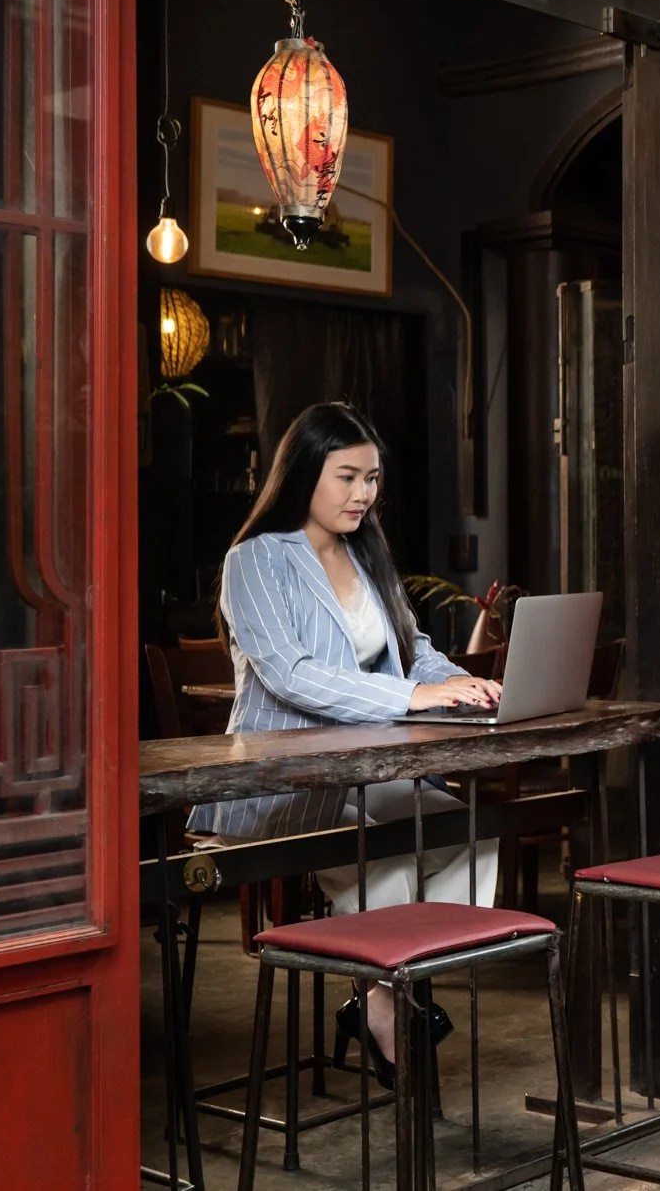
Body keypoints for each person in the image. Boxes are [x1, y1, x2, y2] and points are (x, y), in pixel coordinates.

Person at [188, 401, 503, 1078]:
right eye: (347, 476)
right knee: (384, 857)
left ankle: (392, 988)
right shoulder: (256, 560)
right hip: (286, 782)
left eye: (373, 478)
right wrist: (412, 697)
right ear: (304, 475)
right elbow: (292, 674)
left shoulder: (367, 554)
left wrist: (466, 685)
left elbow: (414, 651)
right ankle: (386, 1004)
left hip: (372, 769)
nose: (364, 494)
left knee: (464, 829)